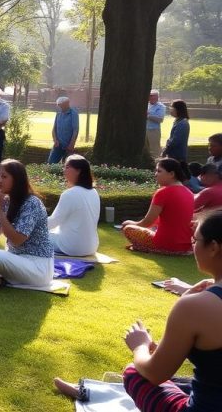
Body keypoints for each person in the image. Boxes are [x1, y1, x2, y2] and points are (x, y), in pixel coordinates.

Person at [55, 209, 222, 412]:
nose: (193, 245)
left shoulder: (195, 307)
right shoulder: (198, 303)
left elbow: (155, 373)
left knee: (134, 372)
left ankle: (94, 392)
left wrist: (140, 346)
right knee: (185, 382)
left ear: (213, 247)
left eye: (195, 240)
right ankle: (91, 390)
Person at [121, 158, 195, 255]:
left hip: (164, 244)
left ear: (172, 174)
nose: (155, 174)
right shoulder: (189, 193)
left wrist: (131, 223)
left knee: (128, 228)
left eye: (159, 171)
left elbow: (146, 222)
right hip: (186, 246)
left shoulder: (162, 192)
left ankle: (147, 248)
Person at [47, 155, 101, 257]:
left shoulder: (69, 194)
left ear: (78, 171)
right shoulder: (94, 192)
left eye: (67, 167)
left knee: (32, 235)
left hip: (71, 247)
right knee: (54, 230)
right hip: (91, 247)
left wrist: (33, 226)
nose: (64, 170)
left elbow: (53, 222)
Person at [49, 96, 80, 164]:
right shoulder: (58, 114)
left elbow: (75, 130)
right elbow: (54, 129)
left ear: (66, 104)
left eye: (60, 105)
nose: (59, 107)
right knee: (51, 163)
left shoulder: (73, 114)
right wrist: (55, 140)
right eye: (58, 105)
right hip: (58, 144)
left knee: (67, 165)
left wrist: (72, 144)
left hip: (68, 145)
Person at [147, 90, 167, 158]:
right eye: (150, 96)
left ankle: (156, 163)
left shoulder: (161, 107)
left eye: (153, 96)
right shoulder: (146, 105)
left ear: (157, 97)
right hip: (144, 130)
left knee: (155, 149)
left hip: (154, 130)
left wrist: (148, 116)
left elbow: (160, 119)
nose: (151, 98)